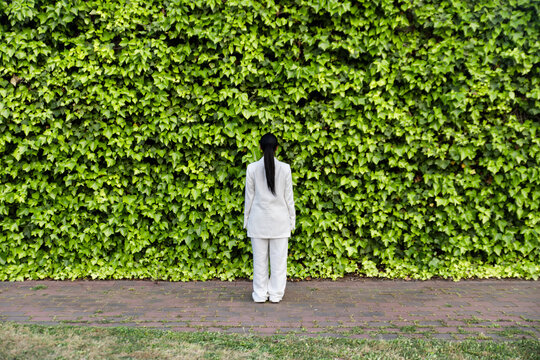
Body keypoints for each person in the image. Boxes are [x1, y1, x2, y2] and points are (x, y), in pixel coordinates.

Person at [244, 133, 295, 303]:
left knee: (259, 261)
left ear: (260, 147)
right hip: (280, 222)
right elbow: (289, 199)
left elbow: (249, 198)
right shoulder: (285, 168)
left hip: (258, 221)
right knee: (279, 262)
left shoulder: (251, 168)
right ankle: (275, 295)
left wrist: (246, 221)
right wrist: (292, 222)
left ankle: (259, 294)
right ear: (277, 148)